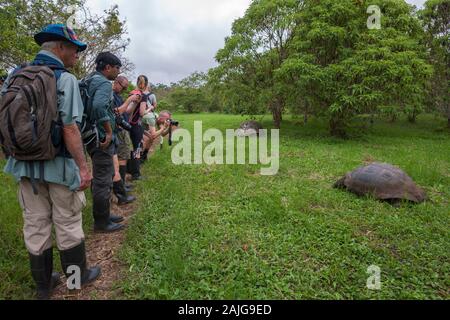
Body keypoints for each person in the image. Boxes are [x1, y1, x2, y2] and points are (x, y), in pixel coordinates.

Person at [1, 24, 100, 299]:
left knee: (34, 223)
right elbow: (70, 129)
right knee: (67, 222)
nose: (77, 56)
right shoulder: (64, 79)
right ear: (60, 48)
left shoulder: (14, 77)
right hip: (58, 166)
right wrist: (83, 167)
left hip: (23, 167)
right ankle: (75, 281)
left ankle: (44, 286)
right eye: (75, 50)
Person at [84, 52, 125, 233]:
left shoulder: (90, 79)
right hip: (100, 137)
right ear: (107, 67)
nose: (118, 72)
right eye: (117, 68)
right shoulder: (103, 83)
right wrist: (108, 131)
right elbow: (99, 107)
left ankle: (104, 215)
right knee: (103, 179)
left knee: (103, 176)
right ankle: (101, 222)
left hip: (91, 135)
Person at [112, 75, 139, 204]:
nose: (124, 90)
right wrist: (129, 99)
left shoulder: (118, 95)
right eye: (123, 87)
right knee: (121, 158)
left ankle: (121, 185)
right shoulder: (110, 95)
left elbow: (126, 112)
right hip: (117, 130)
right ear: (116, 83)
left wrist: (134, 102)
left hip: (122, 129)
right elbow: (117, 112)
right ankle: (119, 189)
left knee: (124, 156)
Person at [126, 75, 150, 180]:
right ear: (147, 84)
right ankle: (136, 174)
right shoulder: (143, 96)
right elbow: (142, 112)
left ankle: (129, 169)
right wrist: (149, 109)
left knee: (129, 147)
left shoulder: (132, 93)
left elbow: (127, 110)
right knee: (137, 148)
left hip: (127, 123)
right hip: (136, 124)